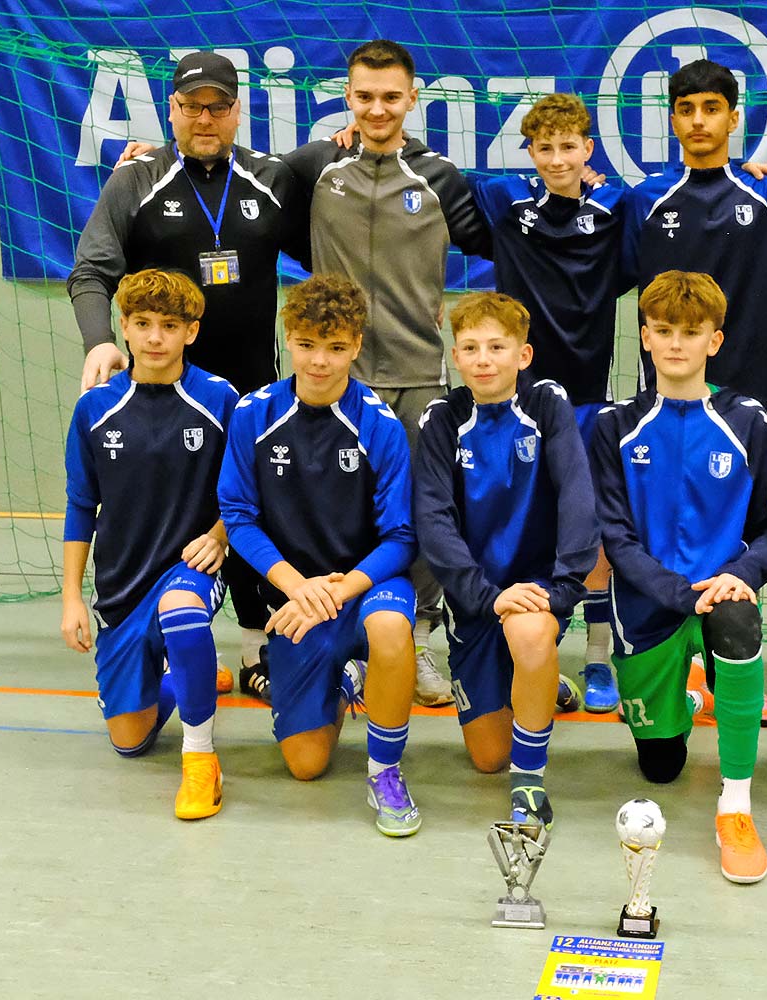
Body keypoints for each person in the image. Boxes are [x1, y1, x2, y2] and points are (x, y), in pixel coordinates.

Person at [69, 51, 310, 703]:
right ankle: (164, 641)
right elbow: (91, 271)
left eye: (218, 106)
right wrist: (99, 342)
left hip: (253, 390)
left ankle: (258, 651)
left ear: (238, 111)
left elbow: (331, 242)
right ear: (171, 109)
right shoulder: (136, 180)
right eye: (192, 105)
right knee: (167, 517)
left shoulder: (272, 179)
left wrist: (347, 139)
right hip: (162, 394)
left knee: (255, 513)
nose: (205, 117)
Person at [280, 39, 494, 710]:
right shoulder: (315, 166)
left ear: (412, 98)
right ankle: (338, 642)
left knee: (425, 512)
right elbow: (235, 185)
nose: (377, 109)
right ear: (347, 96)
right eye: (365, 97)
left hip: (416, 373)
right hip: (333, 376)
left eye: (391, 97)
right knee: (330, 509)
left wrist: (583, 187)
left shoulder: (440, 176)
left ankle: (418, 639)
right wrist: (154, 155)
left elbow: (506, 237)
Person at [590, 271, 767, 884]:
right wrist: (680, 594)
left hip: (722, 596)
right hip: (646, 609)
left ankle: (736, 805)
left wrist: (738, 575)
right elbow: (616, 538)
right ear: (645, 336)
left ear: (715, 341)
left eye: (692, 332)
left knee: (738, 620)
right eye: (664, 330)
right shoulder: (614, 426)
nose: (677, 343)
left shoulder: (748, 421)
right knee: (661, 769)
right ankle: (693, 693)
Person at [217, 274, 422, 836]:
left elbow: (402, 537)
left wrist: (338, 588)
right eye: (307, 345)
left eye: (335, 347)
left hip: (366, 584)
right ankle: (347, 681)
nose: (320, 361)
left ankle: (385, 771)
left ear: (356, 346)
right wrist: (295, 585)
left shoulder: (379, 425)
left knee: (389, 629)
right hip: (296, 598)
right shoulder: (254, 415)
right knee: (306, 765)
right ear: (288, 338)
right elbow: (238, 516)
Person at [464, 92, 627, 714]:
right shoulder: (505, 201)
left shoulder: (616, 205)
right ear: (529, 152)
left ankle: (598, 656)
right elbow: (439, 174)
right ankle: (526, 647)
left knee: (592, 528)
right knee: (521, 519)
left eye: (568, 147)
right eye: (544, 148)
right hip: (519, 399)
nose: (557, 159)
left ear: (589, 149)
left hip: (586, 399)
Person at [413, 292, 599, 828]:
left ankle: (529, 782)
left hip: (536, 591)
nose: (483, 359)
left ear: (523, 354)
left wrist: (564, 588)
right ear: (454, 357)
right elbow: (434, 521)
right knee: (487, 756)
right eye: (470, 348)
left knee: (530, 633)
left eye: (497, 347)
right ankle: (537, 684)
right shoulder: (442, 419)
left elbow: (577, 498)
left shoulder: (546, 404)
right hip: (476, 600)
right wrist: (486, 596)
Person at [59, 269, 238, 820]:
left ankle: (200, 759)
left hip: (189, 568)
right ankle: (188, 673)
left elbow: (248, 490)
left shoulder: (219, 399)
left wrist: (219, 536)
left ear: (191, 331)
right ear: (124, 327)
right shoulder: (95, 408)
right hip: (122, 584)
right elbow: (80, 506)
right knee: (130, 742)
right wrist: (71, 598)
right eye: (142, 324)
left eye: (169, 325)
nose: (155, 337)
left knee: (181, 611)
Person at [622, 59, 767, 415]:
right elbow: (617, 275)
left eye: (711, 108)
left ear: (733, 119)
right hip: (665, 393)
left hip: (752, 390)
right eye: (686, 109)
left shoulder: (766, 197)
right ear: (673, 121)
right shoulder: (645, 199)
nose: (698, 121)